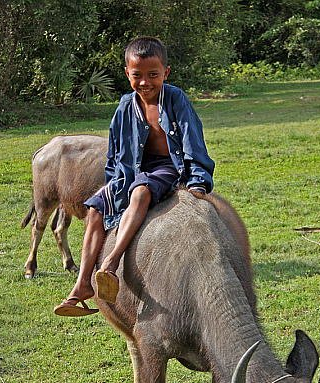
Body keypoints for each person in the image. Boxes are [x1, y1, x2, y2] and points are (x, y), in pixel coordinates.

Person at [54, 36, 214, 317]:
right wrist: (114, 185)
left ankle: (111, 264)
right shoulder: (125, 105)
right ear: (127, 73)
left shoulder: (176, 100)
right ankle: (82, 285)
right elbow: (115, 152)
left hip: (166, 167)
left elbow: (192, 139)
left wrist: (198, 180)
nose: (145, 82)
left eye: (153, 75)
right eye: (137, 75)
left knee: (141, 192)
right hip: (131, 170)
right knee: (95, 210)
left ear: (166, 72)